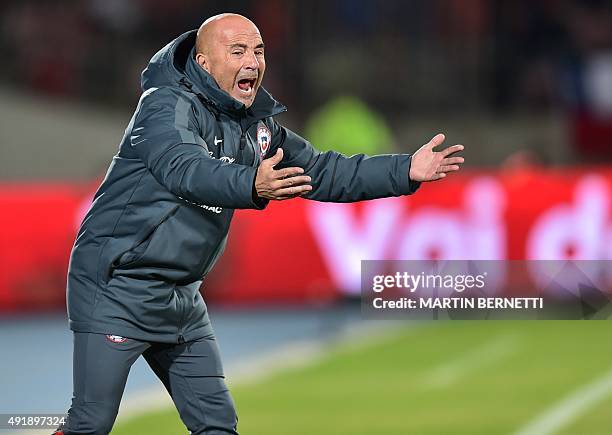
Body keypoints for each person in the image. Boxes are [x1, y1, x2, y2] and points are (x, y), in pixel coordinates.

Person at [53, 13, 464, 435]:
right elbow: (185, 170)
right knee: (90, 423)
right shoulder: (164, 104)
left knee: (217, 426)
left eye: (258, 50)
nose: (252, 61)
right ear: (204, 62)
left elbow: (322, 171)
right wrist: (252, 182)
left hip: (181, 297)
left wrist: (404, 170)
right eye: (237, 51)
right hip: (118, 286)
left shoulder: (256, 123)